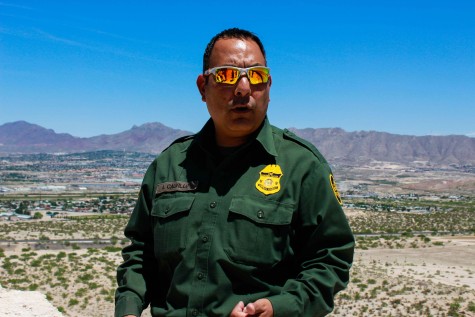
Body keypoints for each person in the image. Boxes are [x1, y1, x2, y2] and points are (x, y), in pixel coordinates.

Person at [115, 28, 354, 317]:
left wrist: (282, 307)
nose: (243, 88)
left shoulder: (302, 166)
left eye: (257, 76)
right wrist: (128, 308)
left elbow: (331, 259)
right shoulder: (168, 165)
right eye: (227, 75)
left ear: (268, 86)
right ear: (203, 87)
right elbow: (140, 253)